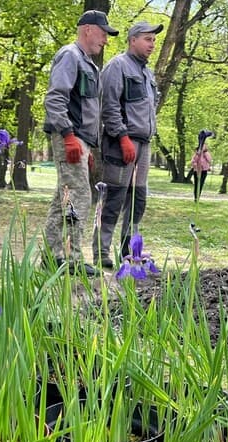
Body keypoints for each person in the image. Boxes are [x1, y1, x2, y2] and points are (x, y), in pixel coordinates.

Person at [42, 10, 118, 276]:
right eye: (103, 33)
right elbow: (55, 99)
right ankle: (72, 259)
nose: (106, 40)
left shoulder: (87, 64)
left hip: (79, 140)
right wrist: (69, 136)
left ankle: (51, 257)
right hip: (69, 137)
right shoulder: (70, 56)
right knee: (79, 198)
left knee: (62, 200)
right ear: (88, 29)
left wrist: (87, 145)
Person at [92, 20, 163, 269]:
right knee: (114, 197)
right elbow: (109, 106)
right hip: (121, 143)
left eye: (154, 40)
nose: (152, 44)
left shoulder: (147, 72)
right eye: (147, 39)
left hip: (143, 144)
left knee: (138, 199)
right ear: (133, 40)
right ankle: (101, 252)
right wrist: (122, 137)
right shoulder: (117, 66)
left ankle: (129, 249)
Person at [190, 130, 214, 202]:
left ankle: (198, 197)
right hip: (197, 171)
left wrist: (205, 152)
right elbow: (193, 161)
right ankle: (195, 197)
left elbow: (209, 160)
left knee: (201, 184)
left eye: (205, 146)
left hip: (204, 171)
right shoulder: (197, 154)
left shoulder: (207, 153)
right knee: (196, 184)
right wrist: (196, 166)